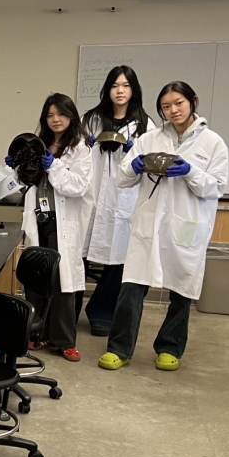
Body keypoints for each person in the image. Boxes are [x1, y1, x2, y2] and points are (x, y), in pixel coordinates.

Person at [100, 81, 229, 372]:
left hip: (186, 225)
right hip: (149, 222)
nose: (173, 111)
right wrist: (132, 167)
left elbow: (217, 187)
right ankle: (119, 348)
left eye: (178, 103)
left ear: (192, 101)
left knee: (181, 287)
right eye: (166, 106)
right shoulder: (150, 139)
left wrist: (190, 171)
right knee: (132, 285)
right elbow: (122, 179)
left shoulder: (213, 143)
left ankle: (170, 347)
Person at [12, 94, 93, 362]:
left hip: (63, 221)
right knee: (37, 279)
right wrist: (17, 165)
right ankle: (35, 334)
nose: (55, 119)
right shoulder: (39, 144)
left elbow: (78, 186)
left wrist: (55, 165)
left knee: (61, 281)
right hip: (39, 218)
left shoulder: (80, 148)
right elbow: (29, 182)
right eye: (50, 115)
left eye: (60, 113)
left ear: (71, 116)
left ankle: (63, 340)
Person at [81, 66, 155, 336]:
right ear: (107, 89)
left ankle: (101, 311)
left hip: (125, 199)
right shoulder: (91, 120)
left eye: (125, 85)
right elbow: (76, 152)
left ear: (133, 89)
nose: (120, 91)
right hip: (91, 196)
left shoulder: (146, 125)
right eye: (115, 85)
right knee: (81, 253)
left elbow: (151, 161)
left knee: (119, 258)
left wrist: (133, 152)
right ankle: (67, 310)